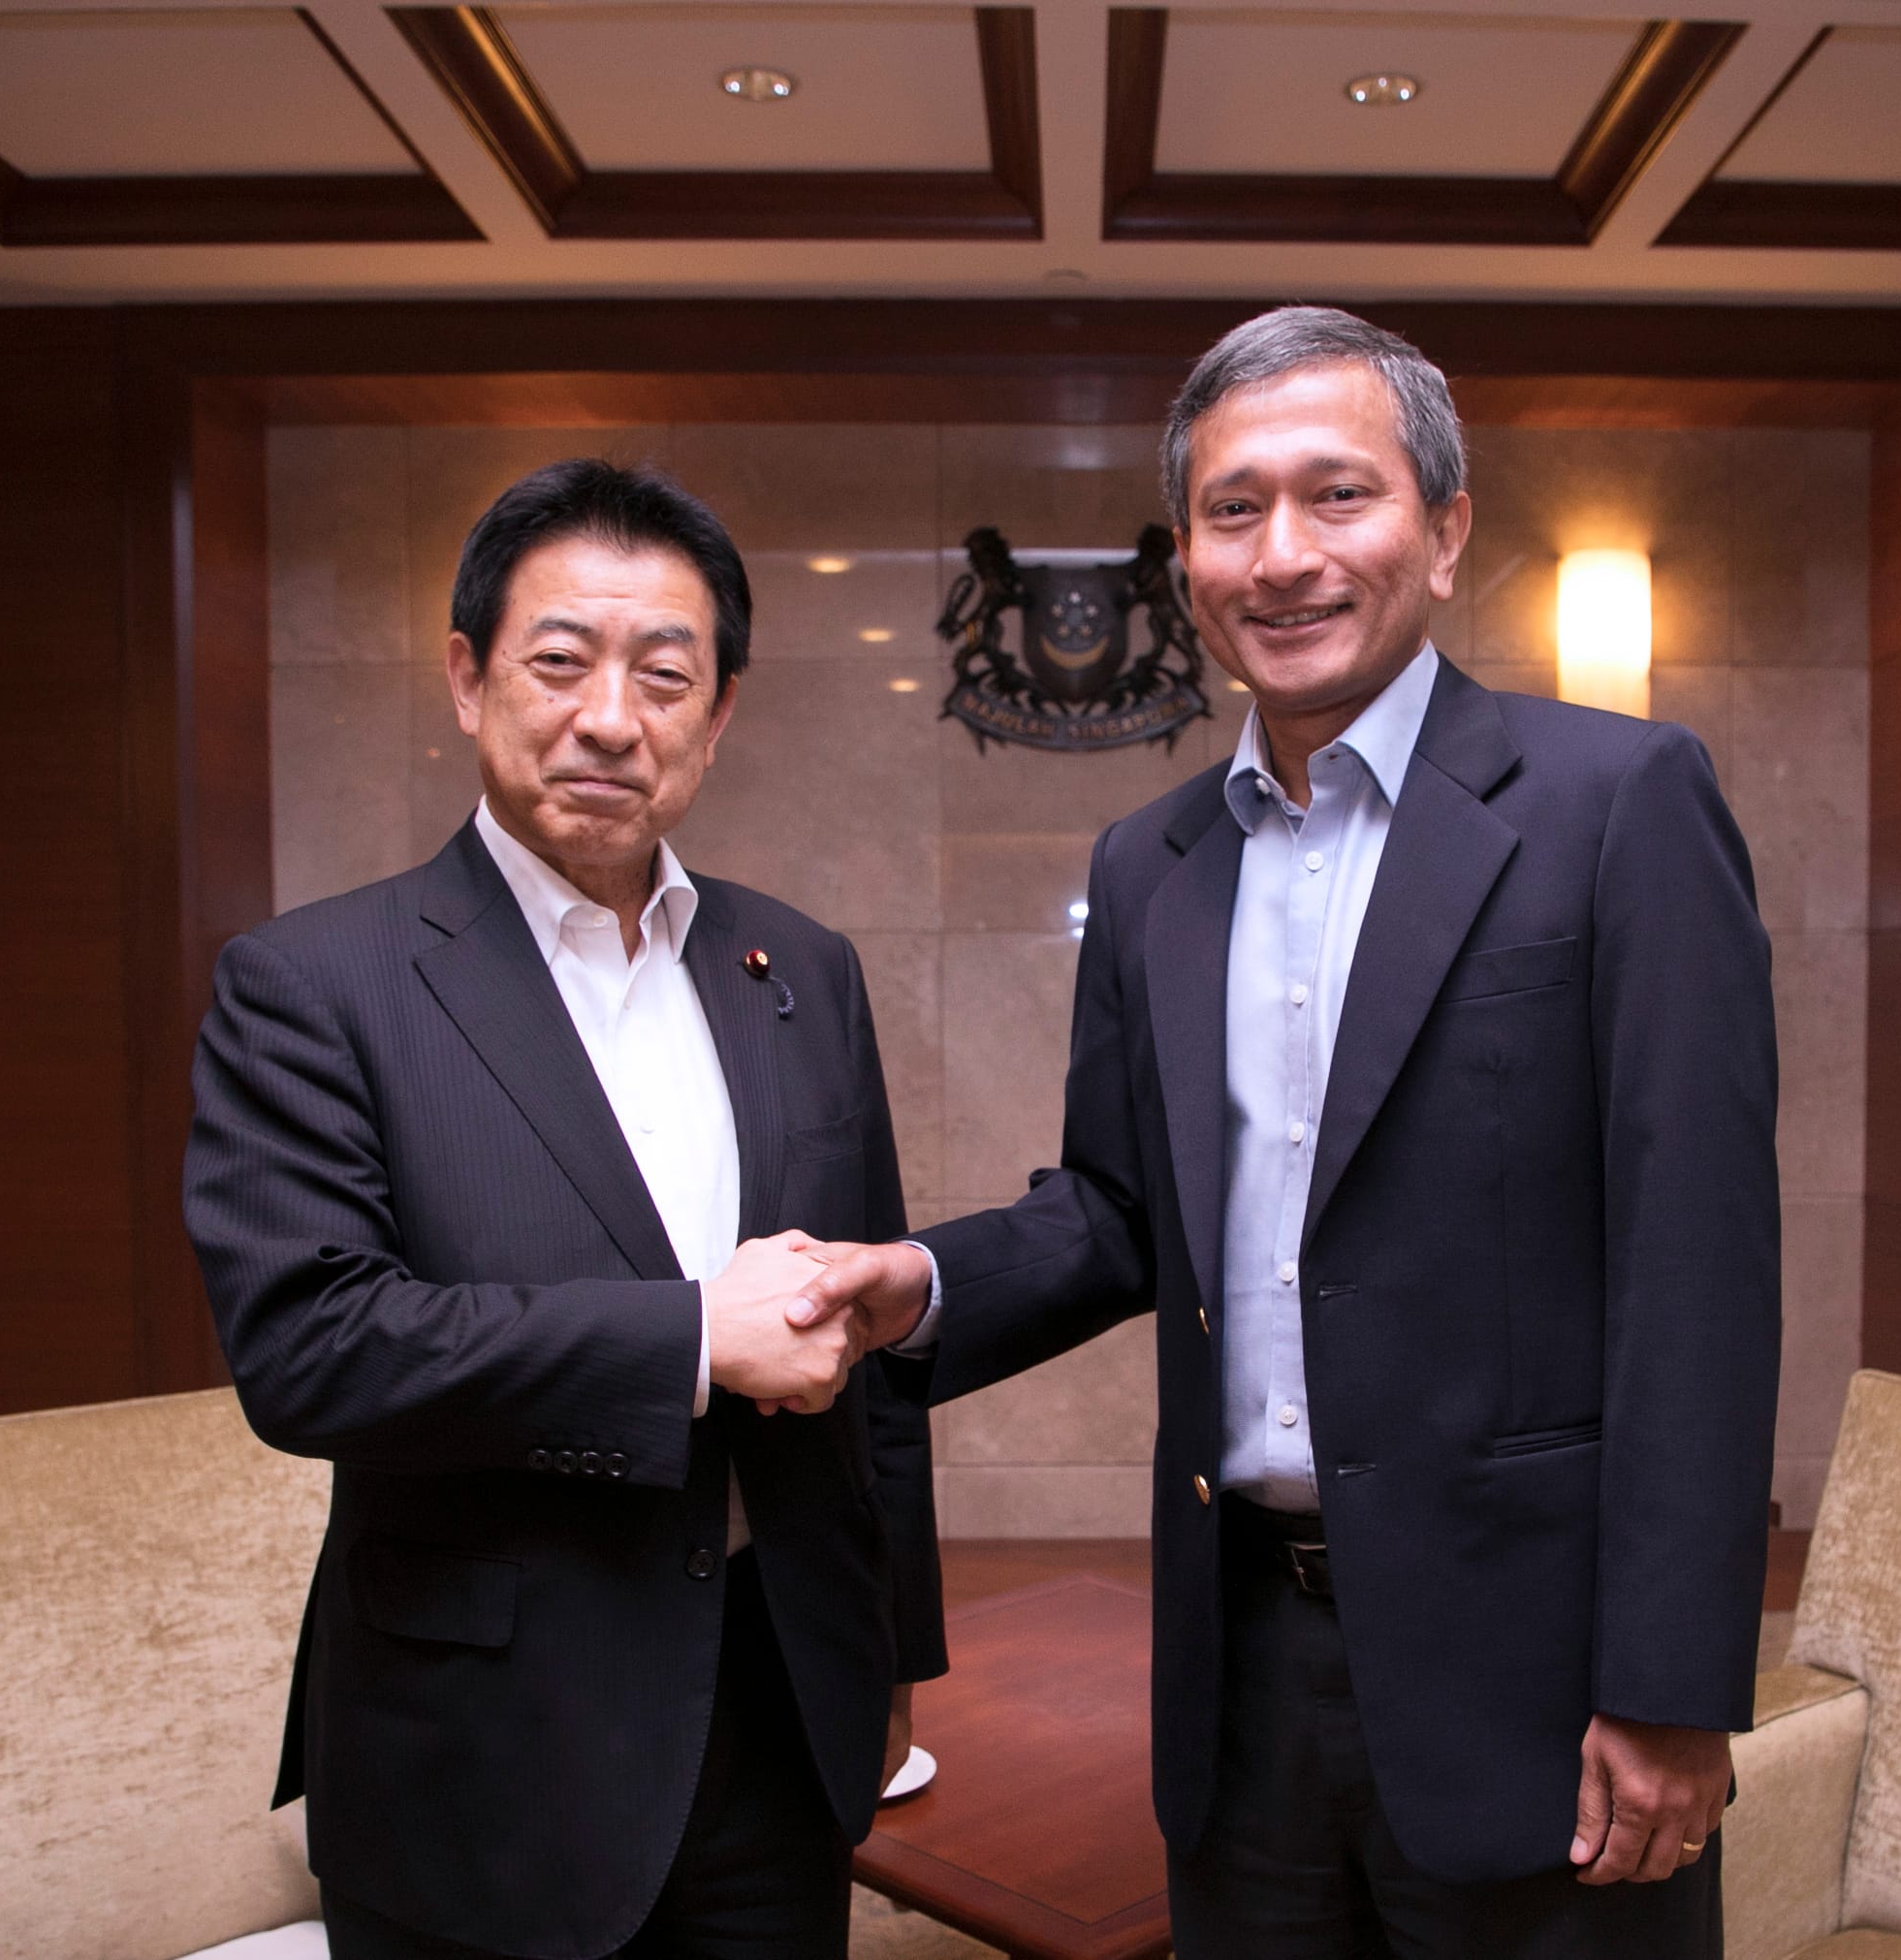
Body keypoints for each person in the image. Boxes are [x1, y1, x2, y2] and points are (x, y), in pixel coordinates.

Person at [795, 307, 1780, 1956]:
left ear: (1443, 533)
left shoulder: (1617, 803)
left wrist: (1673, 1681)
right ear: (1186, 561)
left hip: (1539, 1675)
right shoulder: (1151, 864)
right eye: (1232, 509)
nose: (1283, 555)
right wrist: (918, 1282)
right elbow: (1118, 1207)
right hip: (1238, 1672)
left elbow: (1700, 1270)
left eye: (1339, 494)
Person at [183, 458, 941, 1960]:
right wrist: (690, 1339)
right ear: (468, 679)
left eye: (664, 674)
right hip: (480, 1744)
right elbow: (311, 1348)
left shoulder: (800, 969)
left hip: (778, 1706)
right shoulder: (314, 983)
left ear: (717, 714)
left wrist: (893, 1649)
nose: (610, 717)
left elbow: (870, 1359)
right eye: (558, 661)